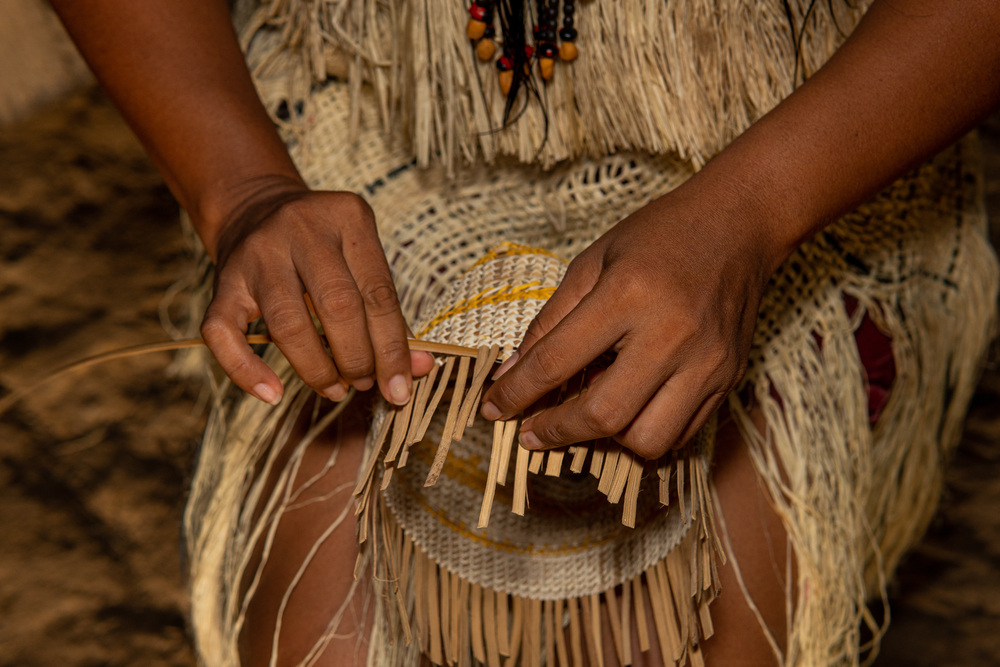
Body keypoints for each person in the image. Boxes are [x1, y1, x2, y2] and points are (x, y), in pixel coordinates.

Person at [51, 0, 1000, 665]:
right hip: (377, 127)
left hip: (793, 140)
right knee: (331, 641)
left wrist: (749, 216)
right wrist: (249, 193)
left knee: (663, 633)